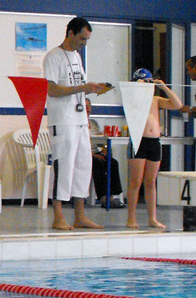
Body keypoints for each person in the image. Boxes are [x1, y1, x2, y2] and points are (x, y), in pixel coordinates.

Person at [44, 16, 113, 231]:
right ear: (70, 33)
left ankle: (80, 216)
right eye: (82, 39)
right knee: (63, 167)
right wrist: (83, 88)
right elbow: (52, 90)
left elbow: (78, 87)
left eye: (87, 40)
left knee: (83, 166)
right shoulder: (53, 57)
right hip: (63, 121)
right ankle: (58, 216)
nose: (84, 44)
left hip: (80, 120)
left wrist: (93, 89)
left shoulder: (77, 57)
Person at [125, 68, 183, 230]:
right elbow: (131, 99)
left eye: (148, 83)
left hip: (154, 142)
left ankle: (152, 218)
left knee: (151, 182)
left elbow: (177, 105)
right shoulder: (132, 99)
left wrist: (164, 87)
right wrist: (137, 87)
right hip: (138, 140)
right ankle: (131, 218)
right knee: (136, 181)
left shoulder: (156, 100)